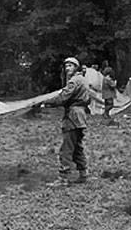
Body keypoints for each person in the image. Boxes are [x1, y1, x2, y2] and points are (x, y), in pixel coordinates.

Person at [42, 57, 91, 186]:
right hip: (81, 117)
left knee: (66, 149)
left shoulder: (74, 81)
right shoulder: (83, 80)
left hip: (73, 117)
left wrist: (47, 102)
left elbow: (63, 97)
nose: (67, 68)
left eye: (71, 65)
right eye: (66, 66)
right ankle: (83, 173)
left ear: (76, 67)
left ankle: (63, 178)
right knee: (77, 148)